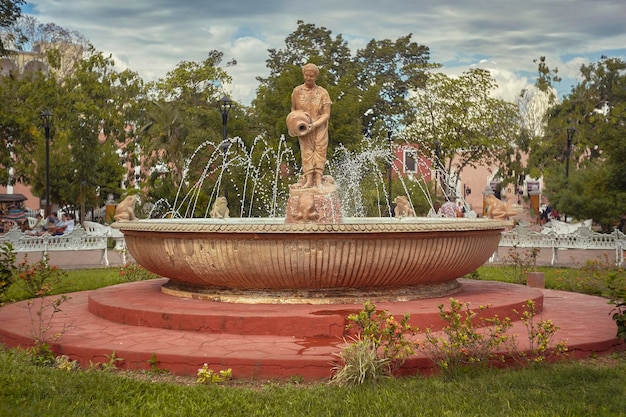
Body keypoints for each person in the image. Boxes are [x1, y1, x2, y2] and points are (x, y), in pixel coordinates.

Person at [288, 63, 332, 188]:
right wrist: (296, 123)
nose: (308, 78)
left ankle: (318, 180)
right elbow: (293, 111)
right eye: (306, 75)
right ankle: (308, 180)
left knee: (320, 151)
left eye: (311, 76)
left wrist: (314, 124)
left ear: (316, 77)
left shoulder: (323, 93)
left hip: (320, 127)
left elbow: (326, 114)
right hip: (304, 128)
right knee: (306, 152)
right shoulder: (297, 91)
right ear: (303, 75)